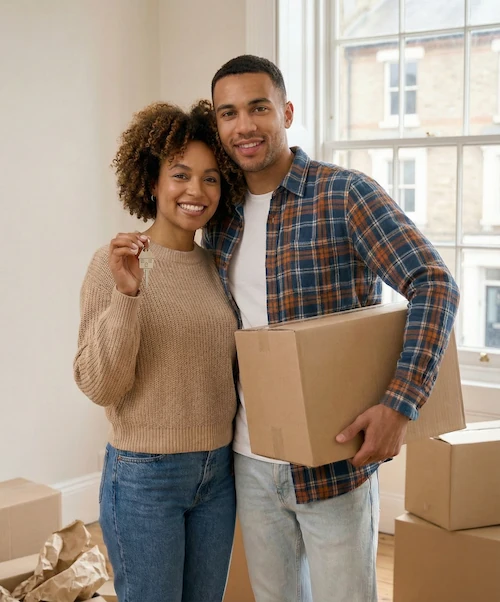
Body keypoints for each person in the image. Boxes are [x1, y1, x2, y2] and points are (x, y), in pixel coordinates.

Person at [205, 55, 460, 602]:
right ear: (217, 125)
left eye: (258, 108)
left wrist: (400, 404)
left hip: (335, 460)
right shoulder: (218, 215)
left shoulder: (344, 195)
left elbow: (434, 283)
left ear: (286, 112)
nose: (244, 125)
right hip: (249, 461)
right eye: (229, 114)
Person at [74, 100, 245, 602]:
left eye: (211, 178)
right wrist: (127, 296)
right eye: (181, 174)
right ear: (152, 181)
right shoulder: (113, 264)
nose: (196, 191)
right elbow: (99, 384)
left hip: (219, 471)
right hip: (145, 477)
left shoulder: (219, 265)